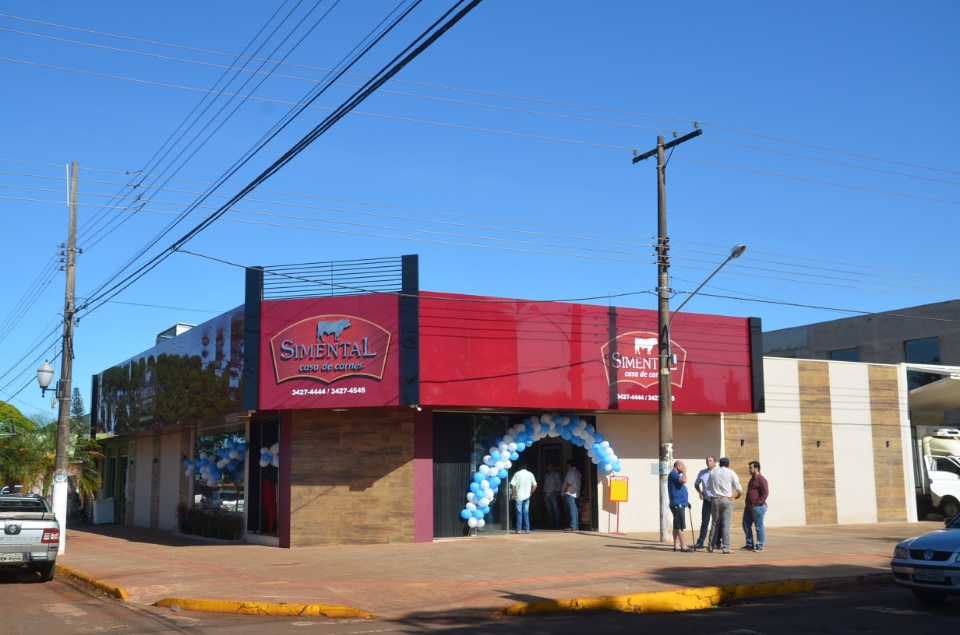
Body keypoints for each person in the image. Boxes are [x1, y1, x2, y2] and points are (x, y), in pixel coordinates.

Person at [706, 457, 742, 554]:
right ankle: (726, 548)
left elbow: (708, 486)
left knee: (714, 524)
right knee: (726, 525)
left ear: (719, 463)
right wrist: (738, 494)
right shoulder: (731, 473)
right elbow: (738, 487)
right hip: (727, 500)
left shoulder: (713, 472)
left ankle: (710, 546)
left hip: (715, 500)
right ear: (728, 464)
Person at [742, 460, 769, 552]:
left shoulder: (761, 479)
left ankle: (760, 546)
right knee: (745, 524)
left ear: (756, 468)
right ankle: (749, 544)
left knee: (758, 526)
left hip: (758, 507)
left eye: (751, 468)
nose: (749, 470)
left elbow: (765, 493)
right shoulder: (752, 479)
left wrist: (758, 503)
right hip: (749, 506)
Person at [668, 460, 693, 552]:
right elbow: (684, 480)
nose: (684, 468)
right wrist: (685, 472)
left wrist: (686, 502)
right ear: (679, 467)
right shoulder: (674, 474)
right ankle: (683, 545)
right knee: (680, 526)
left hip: (680, 503)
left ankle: (676, 545)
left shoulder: (675, 475)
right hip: (677, 504)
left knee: (676, 525)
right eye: (683, 467)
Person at [693, 456, 717, 549]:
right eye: (707, 461)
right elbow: (696, 484)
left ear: (715, 462)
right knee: (705, 522)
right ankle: (700, 541)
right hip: (707, 500)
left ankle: (717, 542)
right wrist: (700, 492)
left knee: (717, 522)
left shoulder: (718, 472)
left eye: (710, 461)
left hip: (716, 499)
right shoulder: (702, 473)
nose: (708, 462)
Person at [509, 461, 537, 534]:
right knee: (526, 513)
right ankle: (527, 529)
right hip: (527, 496)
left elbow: (513, 485)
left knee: (519, 513)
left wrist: (513, 494)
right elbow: (535, 485)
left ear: (519, 467)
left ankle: (519, 529)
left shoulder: (517, 474)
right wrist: (530, 493)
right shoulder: (530, 474)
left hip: (518, 496)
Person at [562, 460, 582, 531]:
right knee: (575, 509)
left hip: (570, 493)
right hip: (576, 493)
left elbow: (569, 483)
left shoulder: (571, 472)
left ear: (569, 465)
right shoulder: (578, 472)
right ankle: (575, 525)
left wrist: (565, 491)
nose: (566, 467)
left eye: (567, 465)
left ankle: (572, 526)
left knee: (571, 509)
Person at [542, 462, 562, 528]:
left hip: (554, 495)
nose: (549, 468)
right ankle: (551, 525)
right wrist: (544, 493)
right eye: (548, 466)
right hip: (547, 495)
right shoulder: (547, 475)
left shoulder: (556, 474)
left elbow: (559, 484)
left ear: (553, 467)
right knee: (549, 510)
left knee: (556, 510)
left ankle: (557, 525)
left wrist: (556, 491)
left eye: (551, 466)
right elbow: (545, 485)